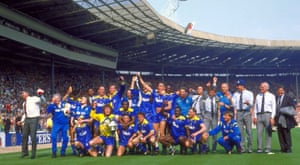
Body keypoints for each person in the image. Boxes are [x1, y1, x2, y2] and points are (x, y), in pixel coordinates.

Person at [20, 89, 45, 159]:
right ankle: (25, 152)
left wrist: (41, 94)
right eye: (22, 94)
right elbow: (25, 113)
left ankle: (33, 153)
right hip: (27, 119)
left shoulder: (33, 99)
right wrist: (22, 121)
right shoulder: (24, 104)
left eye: (23, 93)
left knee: (33, 136)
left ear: (27, 94)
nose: (22, 95)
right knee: (24, 135)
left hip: (34, 118)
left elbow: (43, 101)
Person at [253, 82, 276, 153]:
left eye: (262, 87)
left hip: (267, 114)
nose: (261, 88)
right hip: (259, 115)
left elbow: (274, 107)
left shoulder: (271, 96)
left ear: (267, 88)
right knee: (259, 133)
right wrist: (254, 116)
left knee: (268, 132)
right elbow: (255, 107)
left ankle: (267, 148)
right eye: (260, 87)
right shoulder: (258, 96)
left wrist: (272, 117)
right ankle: (259, 148)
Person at [232, 80, 254, 153]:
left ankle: (250, 148)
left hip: (247, 112)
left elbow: (252, 104)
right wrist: (230, 100)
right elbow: (233, 104)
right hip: (239, 112)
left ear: (242, 86)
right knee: (240, 132)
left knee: (249, 131)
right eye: (237, 85)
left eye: (238, 85)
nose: (237, 87)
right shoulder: (235, 94)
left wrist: (248, 103)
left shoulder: (249, 93)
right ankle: (242, 148)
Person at [46, 93, 70, 158]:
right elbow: (48, 111)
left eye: (57, 98)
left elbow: (69, 111)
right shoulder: (52, 106)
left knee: (65, 138)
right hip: (56, 124)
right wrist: (52, 102)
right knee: (53, 137)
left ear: (60, 99)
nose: (56, 100)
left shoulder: (64, 104)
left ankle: (63, 152)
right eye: (55, 98)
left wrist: (68, 112)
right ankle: (54, 152)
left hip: (65, 124)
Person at [275, 86, 297, 153]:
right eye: (279, 90)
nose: (280, 91)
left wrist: (283, 110)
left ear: (284, 91)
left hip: (286, 118)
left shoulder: (288, 98)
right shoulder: (276, 98)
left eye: (281, 90)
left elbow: (293, 107)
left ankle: (288, 148)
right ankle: (283, 148)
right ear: (277, 91)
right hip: (278, 118)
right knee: (280, 134)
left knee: (286, 134)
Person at [203, 88, 219, 153]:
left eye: (213, 92)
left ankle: (214, 148)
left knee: (214, 132)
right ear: (208, 93)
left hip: (214, 115)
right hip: (207, 115)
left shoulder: (217, 98)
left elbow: (218, 107)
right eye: (210, 92)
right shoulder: (205, 97)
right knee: (205, 131)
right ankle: (206, 147)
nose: (212, 93)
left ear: (215, 92)